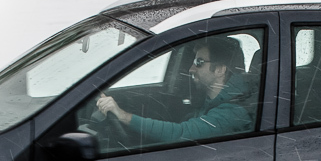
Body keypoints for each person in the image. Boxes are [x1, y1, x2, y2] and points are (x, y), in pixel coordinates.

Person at [95, 35, 256, 144]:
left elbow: (180, 133)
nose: (191, 69)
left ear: (220, 69)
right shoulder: (211, 101)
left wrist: (123, 116)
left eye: (199, 62)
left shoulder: (234, 112)